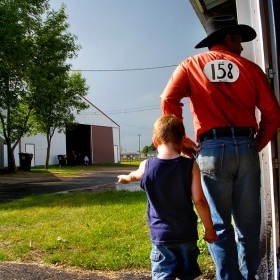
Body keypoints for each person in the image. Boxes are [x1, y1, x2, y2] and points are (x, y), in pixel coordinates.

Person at [160, 15, 280, 280]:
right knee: (248, 227)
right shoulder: (251, 69)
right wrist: (256, 143)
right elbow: (272, 113)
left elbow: (169, 99)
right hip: (247, 147)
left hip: (212, 150)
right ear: (227, 39)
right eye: (238, 39)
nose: (241, 45)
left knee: (218, 225)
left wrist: (182, 142)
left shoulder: (190, 65)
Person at [118, 115, 217, 280]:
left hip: (161, 236)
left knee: (163, 275)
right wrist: (209, 228)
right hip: (187, 235)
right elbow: (199, 201)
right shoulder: (190, 166)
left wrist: (127, 177)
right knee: (188, 275)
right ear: (182, 141)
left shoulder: (147, 166)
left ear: (155, 142)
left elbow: (135, 175)